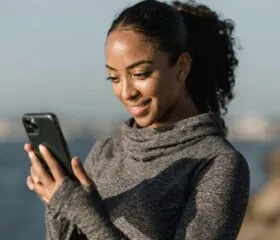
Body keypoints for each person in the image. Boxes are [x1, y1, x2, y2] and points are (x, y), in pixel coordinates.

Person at [24, 0, 250, 239]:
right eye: (114, 77)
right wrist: (59, 204)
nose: (126, 92)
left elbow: (87, 218)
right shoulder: (104, 152)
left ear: (182, 67)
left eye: (140, 74)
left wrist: (82, 210)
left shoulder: (218, 163)